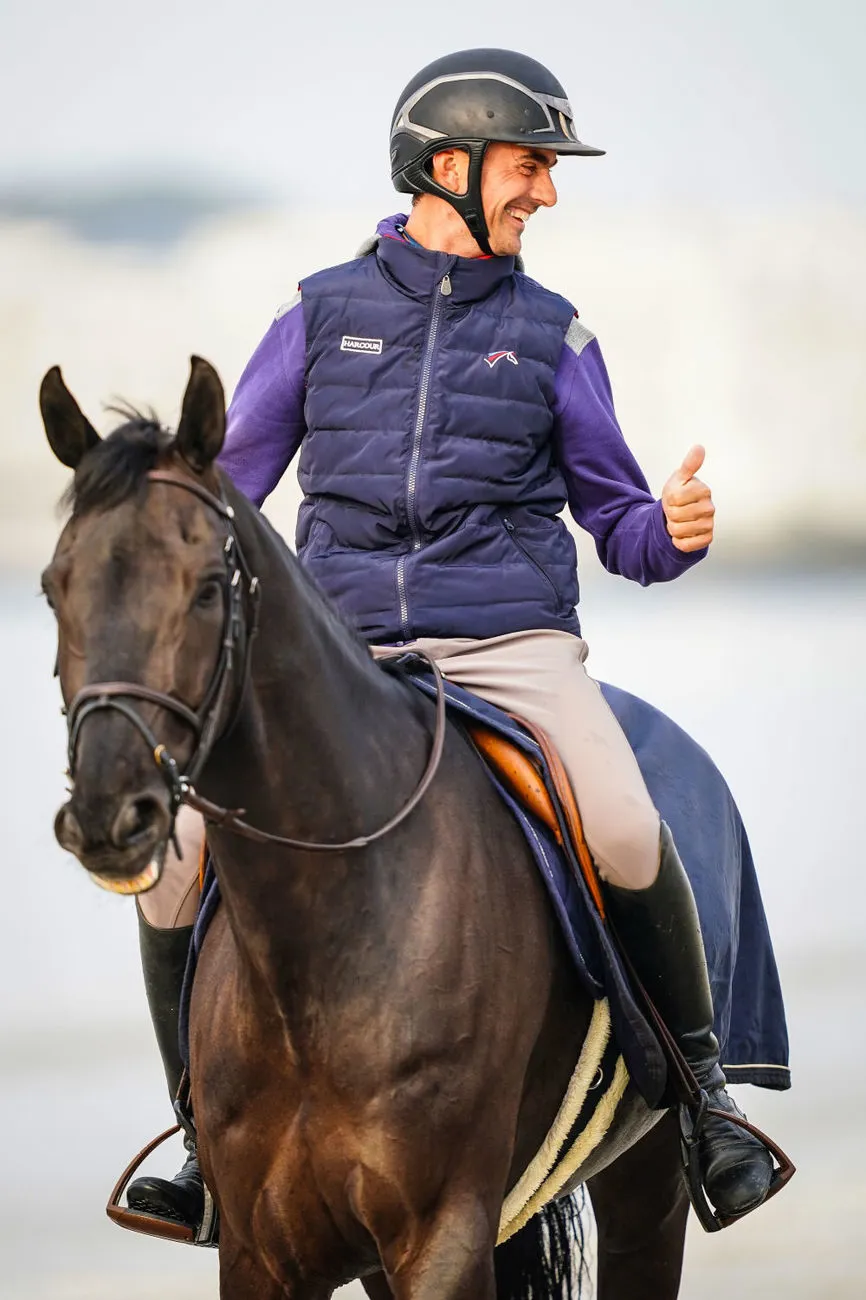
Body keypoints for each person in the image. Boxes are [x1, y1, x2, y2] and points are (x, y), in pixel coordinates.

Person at [128, 47, 773, 1228]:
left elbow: (615, 523)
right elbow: (228, 494)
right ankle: (192, 1135)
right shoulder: (319, 312)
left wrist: (667, 532)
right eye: (531, 165)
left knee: (626, 825)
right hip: (338, 650)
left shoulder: (553, 334)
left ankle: (705, 1101)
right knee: (172, 858)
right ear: (449, 166)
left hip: (506, 641)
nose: (546, 193)